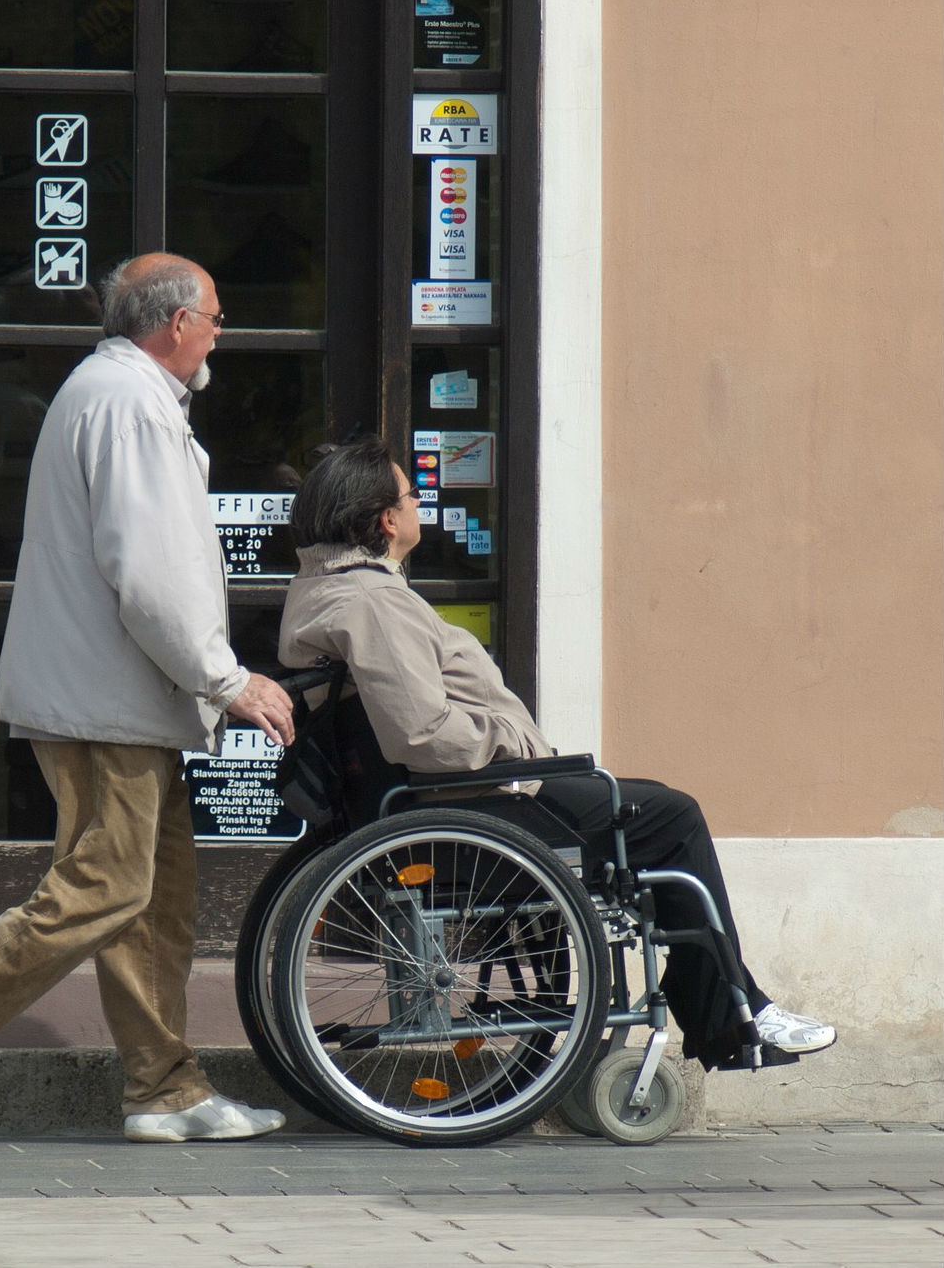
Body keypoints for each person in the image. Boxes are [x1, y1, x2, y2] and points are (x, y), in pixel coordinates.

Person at [0, 253, 297, 1142]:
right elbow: (150, 575)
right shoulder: (129, 404)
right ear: (175, 322)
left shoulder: (119, 395)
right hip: (106, 701)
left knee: (154, 899)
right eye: (215, 318)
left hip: (117, 698)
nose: (221, 333)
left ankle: (163, 1089)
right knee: (109, 886)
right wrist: (227, 678)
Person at [277, 437, 836, 1071]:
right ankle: (731, 1008)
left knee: (648, 806)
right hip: (472, 802)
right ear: (385, 519)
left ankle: (724, 999)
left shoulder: (329, 591)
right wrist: (514, 746)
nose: (418, 505)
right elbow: (422, 736)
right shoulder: (373, 602)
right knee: (671, 817)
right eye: (411, 494)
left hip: (454, 799)